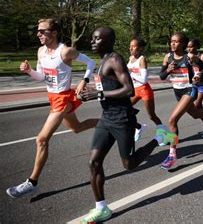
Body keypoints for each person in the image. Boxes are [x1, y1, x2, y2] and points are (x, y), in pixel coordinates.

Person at [78, 27, 178, 223]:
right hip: (107, 117)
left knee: (129, 164)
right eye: (92, 38)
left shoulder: (115, 59)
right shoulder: (103, 60)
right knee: (94, 162)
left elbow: (128, 89)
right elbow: (108, 86)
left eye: (97, 39)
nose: (92, 41)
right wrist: (90, 91)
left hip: (122, 118)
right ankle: (102, 208)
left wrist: (97, 94)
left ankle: (159, 139)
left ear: (108, 41)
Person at [6, 19, 98, 198]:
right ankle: (108, 122)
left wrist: (84, 81)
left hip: (63, 99)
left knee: (41, 139)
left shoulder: (65, 51)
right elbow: (42, 77)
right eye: (37, 31)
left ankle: (32, 182)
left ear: (54, 33)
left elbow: (91, 63)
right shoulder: (41, 51)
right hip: (52, 97)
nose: (38, 34)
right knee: (76, 128)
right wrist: (29, 71)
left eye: (42, 31)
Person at [159, 33, 203, 170]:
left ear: (183, 44)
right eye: (172, 41)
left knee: (172, 120)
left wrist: (199, 75)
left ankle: (172, 154)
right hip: (177, 92)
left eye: (176, 42)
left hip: (189, 90)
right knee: (195, 114)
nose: (173, 44)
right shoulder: (167, 57)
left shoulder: (190, 57)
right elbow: (162, 76)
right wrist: (168, 70)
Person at [127, 38, 163, 142]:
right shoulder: (130, 58)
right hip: (134, 90)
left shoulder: (142, 59)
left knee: (152, 116)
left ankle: (164, 135)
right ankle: (139, 127)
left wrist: (130, 73)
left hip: (144, 90)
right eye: (130, 46)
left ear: (141, 48)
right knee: (124, 110)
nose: (131, 48)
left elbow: (143, 79)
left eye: (134, 46)